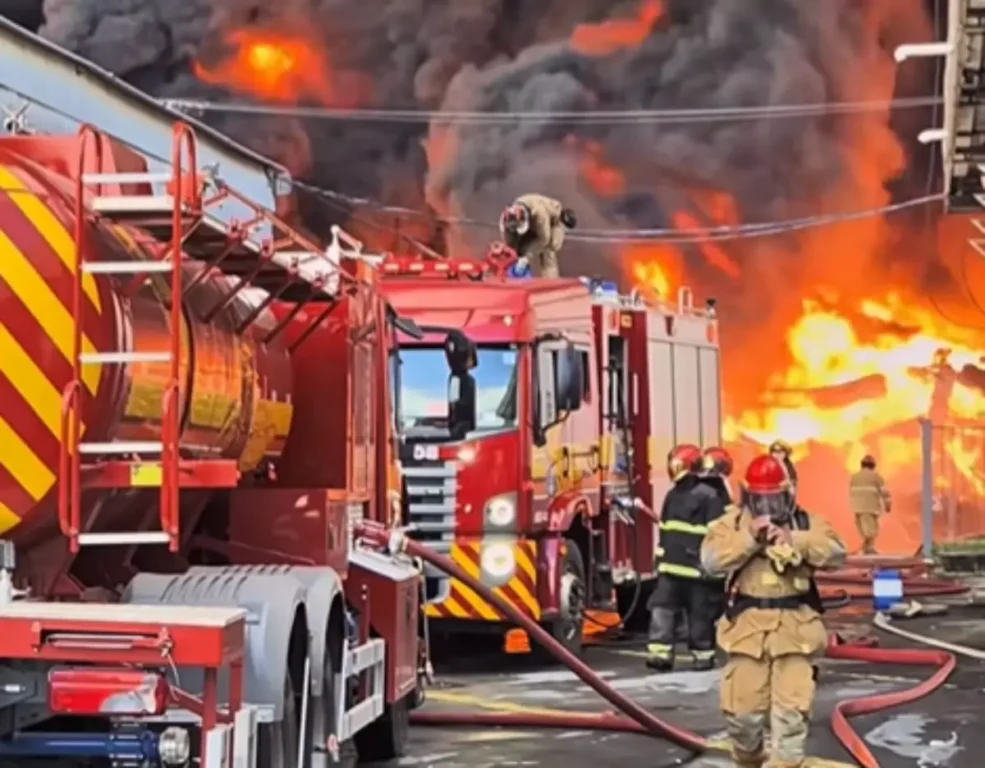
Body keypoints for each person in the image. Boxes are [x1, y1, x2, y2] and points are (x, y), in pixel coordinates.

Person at [701, 454, 845, 768]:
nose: (767, 509)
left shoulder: (807, 522)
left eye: (775, 500)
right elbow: (710, 560)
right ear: (747, 496)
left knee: (790, 724)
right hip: (747, 634)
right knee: (743, 722)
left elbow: (836, 552)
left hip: (795, 632)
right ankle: (750, 759)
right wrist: (750, 538)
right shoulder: (732, 524)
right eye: (760, 500)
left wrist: (797, 540)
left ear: (789, 494)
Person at [646, 443, 727, 672]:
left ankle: (679, 655)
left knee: (676, 612)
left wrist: (661, 564)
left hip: (683, 570)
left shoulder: (682, 496)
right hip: (689, 570)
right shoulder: (706, 496)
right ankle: (686, 655)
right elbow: (667, 531)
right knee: (686, 612)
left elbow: (715, 535)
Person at [498, 194, 577, 278]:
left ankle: (550, 284)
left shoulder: (540, 214)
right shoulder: (506, 219)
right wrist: (514, 254)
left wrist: (527, 257)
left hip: (551, 220)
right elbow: (508, 241)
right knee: (518, 247)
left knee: (550, 248)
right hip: (531, 224)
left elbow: (543, 239)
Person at [849, 454, 891, 555]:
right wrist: (887, 504)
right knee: (871, 530)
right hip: (870, 507)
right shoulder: (875, 476)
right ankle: (868, 548)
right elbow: (884, 492)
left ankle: (867, 548)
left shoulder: (854, 477)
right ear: (873, 465)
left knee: (865, 529)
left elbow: (852, 492)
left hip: (857, 507)